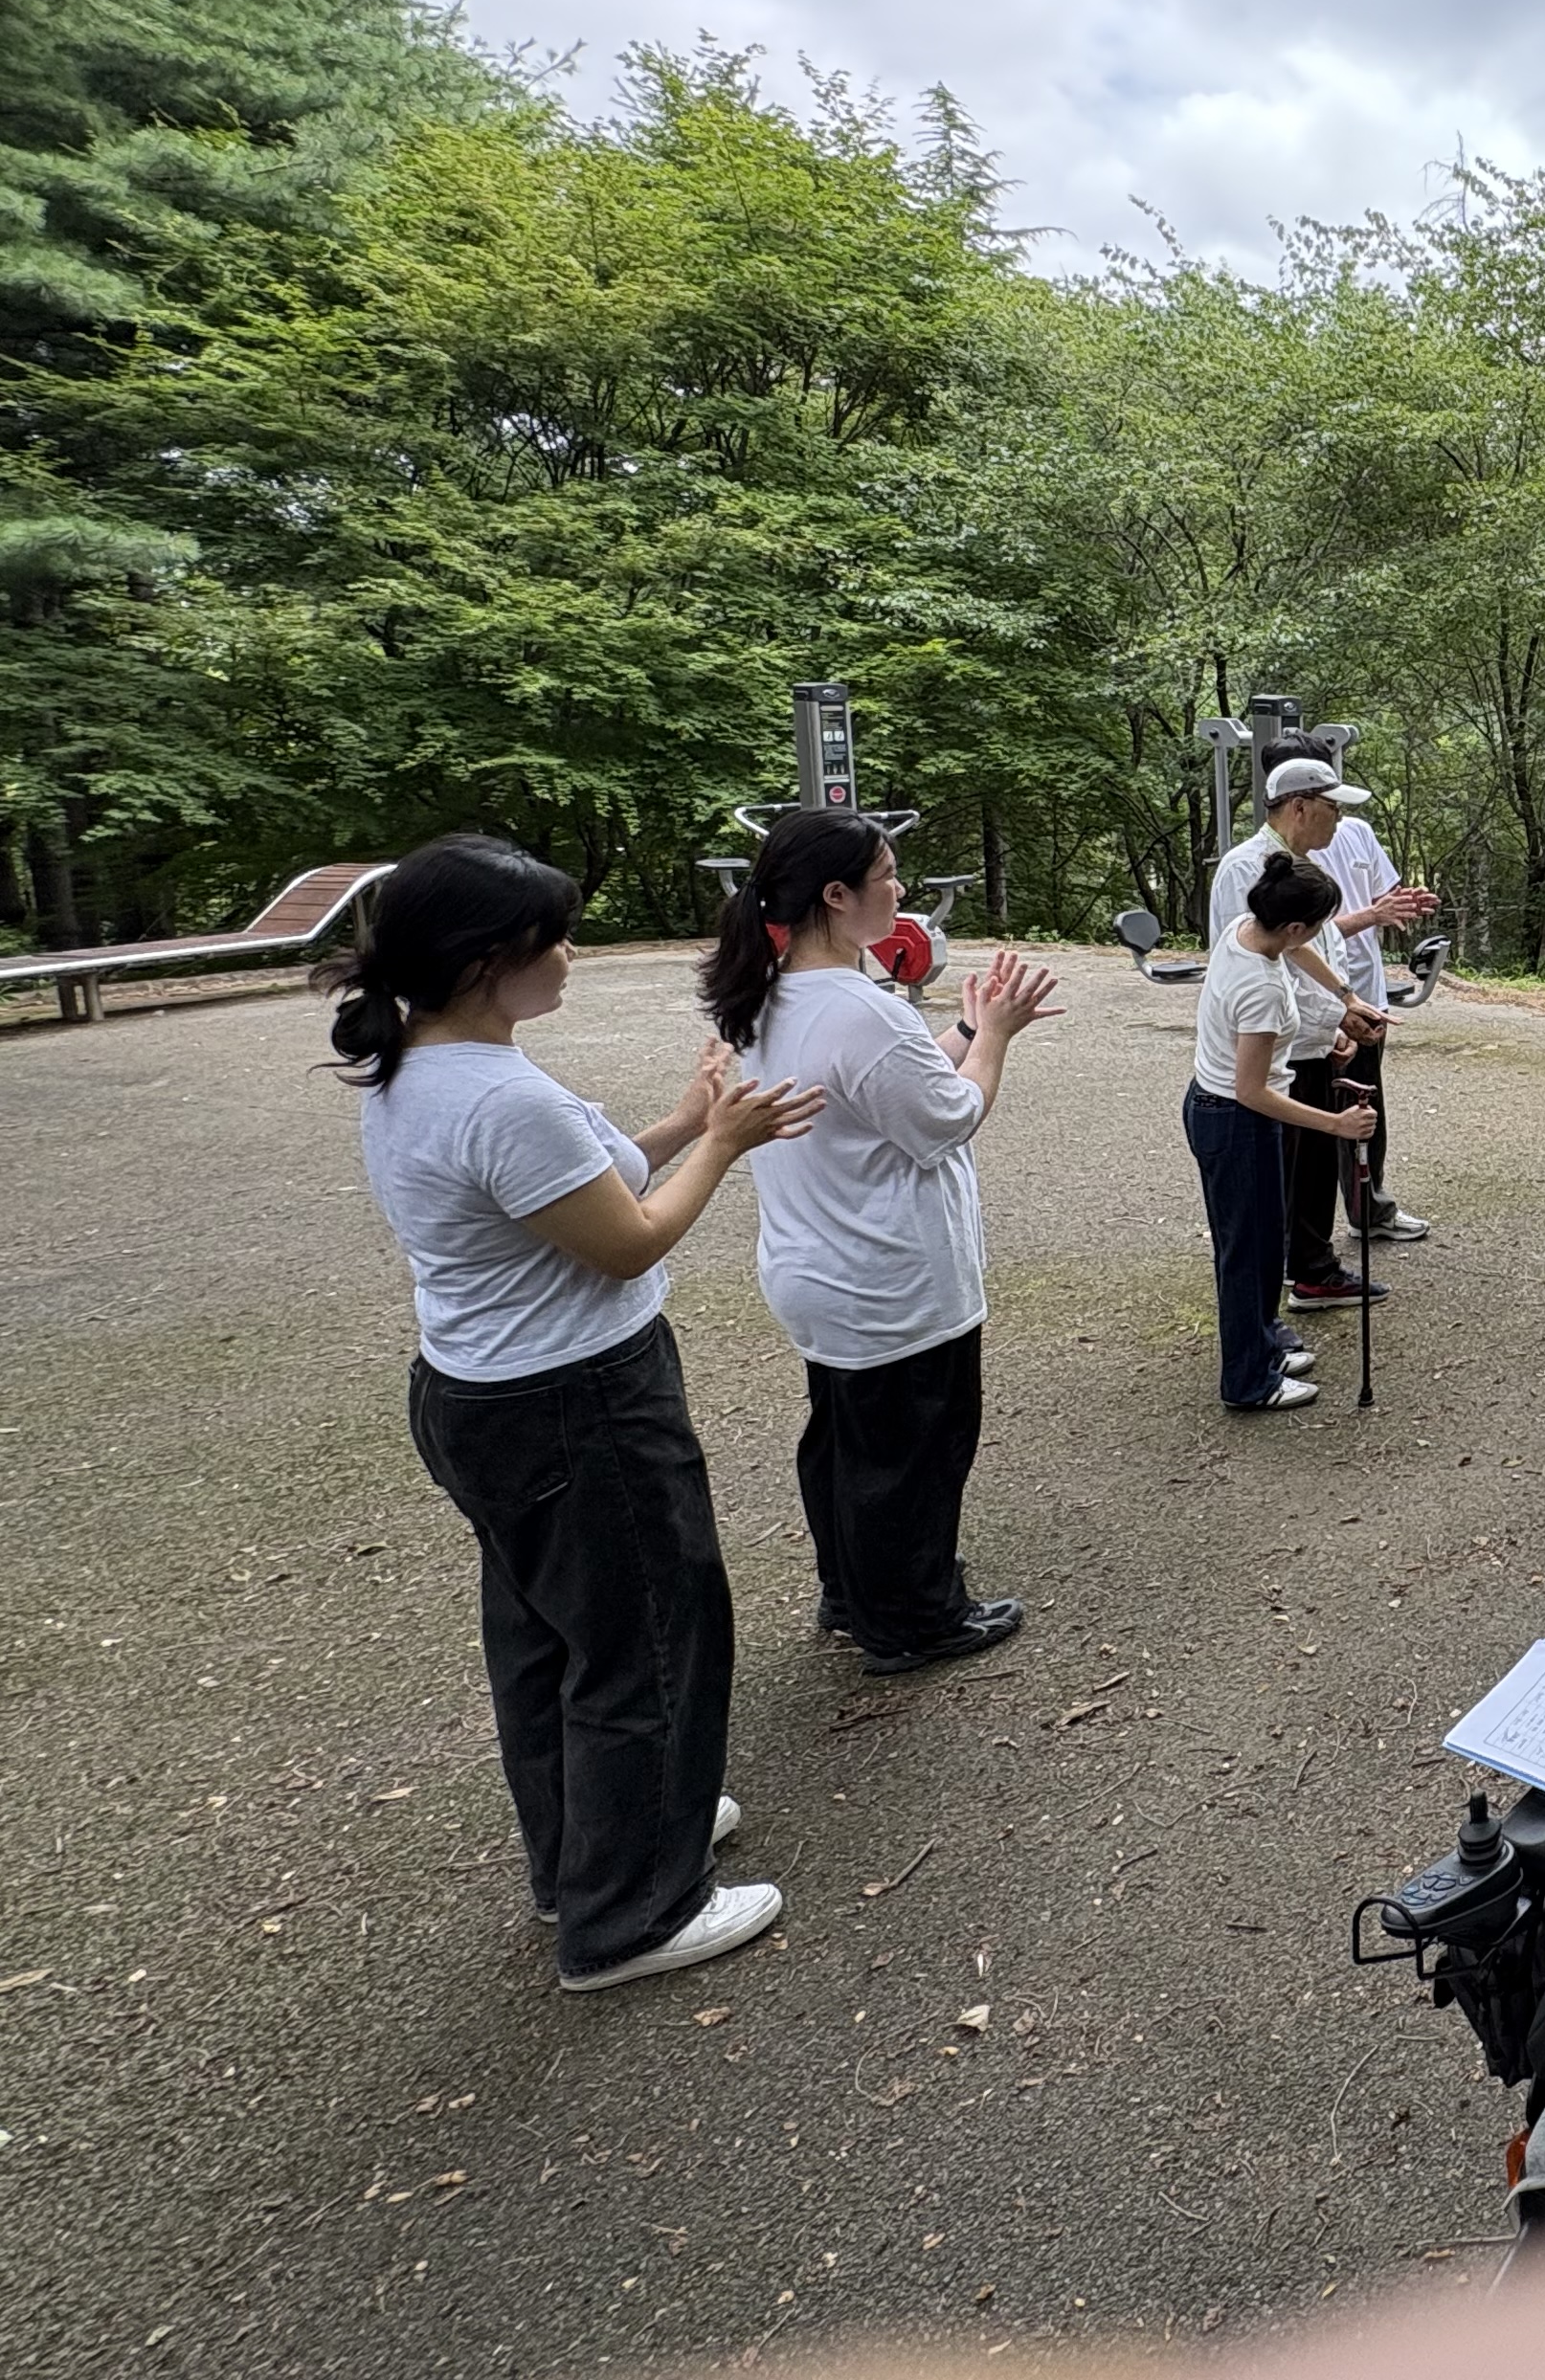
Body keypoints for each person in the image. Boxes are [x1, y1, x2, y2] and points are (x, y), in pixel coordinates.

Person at [328, 833, 817, 1990]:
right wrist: (725, 1148)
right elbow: (627, 1241)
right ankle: (632, 1913)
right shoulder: (501, 1097)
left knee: (550, 1639)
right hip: (576, 1403)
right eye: (553, 940)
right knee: (647, 1638)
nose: (569, 957)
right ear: (486, 960)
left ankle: (591, 1850)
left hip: (479, 1394)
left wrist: (685, 1124)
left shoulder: (422, 1065)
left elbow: (574, 1191)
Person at [704, 813, 1060, 1672]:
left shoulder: (771, 994)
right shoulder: (865, 1011)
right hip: (888, 1273)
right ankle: (913, 1619)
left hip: (818, 1264)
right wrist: (997, 1040)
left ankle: (852, 1589)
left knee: (847, 1440)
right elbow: (947, 1117)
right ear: (836, 895)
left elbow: (880, 1084)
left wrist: (967, 1031)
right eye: (887, 874)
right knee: (914, 1452)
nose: (898, 889)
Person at [1188, 850, 1381, 1410]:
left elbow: (1298, 951)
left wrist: (1345, 997)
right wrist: (1337, 1124)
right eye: (1319, 925)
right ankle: (1248, 1380)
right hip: (1236, 1119)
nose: (1319, 935)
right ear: (1296, 925)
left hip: (1223, 1109)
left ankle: (1263, 1343)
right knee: (1248, 1254)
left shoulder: (1246, 928)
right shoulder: (1263, 991)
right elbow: (1253, 1091)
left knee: (1261, 1246)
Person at [1277, 728, 1440, 1243]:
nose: (1336, 803)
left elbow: (1382, 897)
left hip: (1364, 994)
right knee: (1313, 1124)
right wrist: (1370, 915)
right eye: (1326, 793)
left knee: (1367, 1110)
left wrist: (1402, 904)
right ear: (1298, 799)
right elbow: (1296, 938)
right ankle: (1304, 1245)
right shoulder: (1276, 859)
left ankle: (1370, 1211)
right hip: (1315, 1009)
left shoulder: (1354, 832)